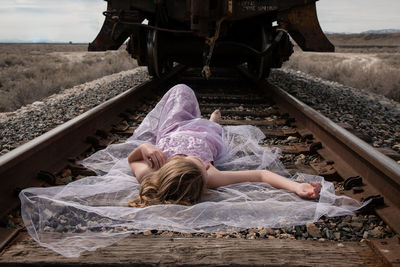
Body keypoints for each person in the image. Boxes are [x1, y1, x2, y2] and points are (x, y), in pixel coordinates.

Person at [127, 84, 321, 207]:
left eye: (199, 164)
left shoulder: (152, 174)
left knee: (181, 90)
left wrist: (145, 148)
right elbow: (261, 175)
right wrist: (295, 186)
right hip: (206, 135)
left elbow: (132, 159)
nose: (206, 165)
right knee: (212, 130)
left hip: (174, 130)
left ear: (172, 164)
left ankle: (201, 120)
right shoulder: (211, 176)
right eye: (206, 167)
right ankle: (213, 121)